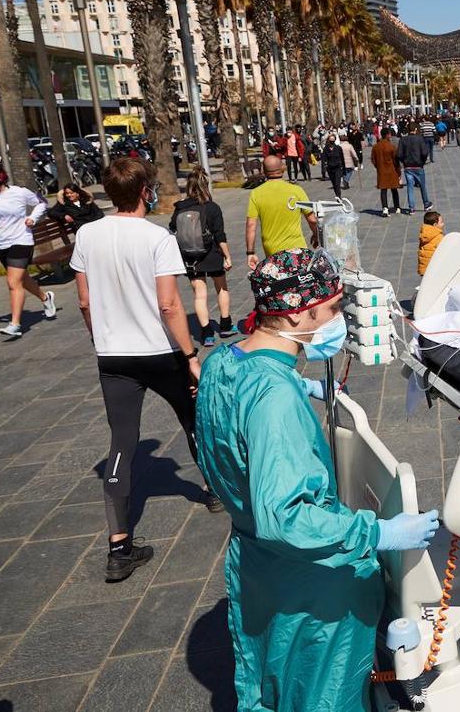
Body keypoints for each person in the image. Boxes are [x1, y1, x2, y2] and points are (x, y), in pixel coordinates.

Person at [194, 248, 440, 711]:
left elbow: (227, 434)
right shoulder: (274, 400)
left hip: (259, 569)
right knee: (322, 693)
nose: (335, 322)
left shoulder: (221, 363)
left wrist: (296, 384)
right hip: (311, 586)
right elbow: (287, 519)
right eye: (330, 310)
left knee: (275, 679)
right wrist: (378, 531)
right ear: (299, 315)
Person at [71, 157, 224, 582]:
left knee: (121, 442)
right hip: (159, 351)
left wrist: (98, 335)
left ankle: (119, 546)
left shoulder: (87, 234)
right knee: (193, 418)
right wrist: (190, 356)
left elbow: (84, 300)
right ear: (145, 192)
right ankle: (214, 491)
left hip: (113, 355)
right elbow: (170, 304)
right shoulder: (157, 238)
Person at [0, 163, 55, 338]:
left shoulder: (19, 192)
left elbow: (41, 203)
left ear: (2, 176)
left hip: (22, 240)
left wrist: (32, 218)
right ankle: (46, 298)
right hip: (1, 244)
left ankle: (15, 324)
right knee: (22, 279)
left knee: (13, 283)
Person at [170, 166, 235, 347]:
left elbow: (173, 228)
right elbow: (219, 235)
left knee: (199, 295)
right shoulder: (212, 208)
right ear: (206, 186)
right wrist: (227, 256)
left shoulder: (179, 208)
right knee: (221, 288)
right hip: (212, 254)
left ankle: (206, 334)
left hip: (191, 258)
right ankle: (225, 324)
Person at [245, 156, 320, 270]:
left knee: (280, 284)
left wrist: (250, 252)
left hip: (272, 252)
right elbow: (312, 219)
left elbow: (251, 225)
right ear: (282, 169)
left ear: (263, 171)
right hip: (297, 249)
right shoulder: (296, 190)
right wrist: (316, 235)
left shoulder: (256, 193)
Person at [396, 125, 433, 214]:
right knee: (422, 186)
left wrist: (404, 162)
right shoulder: (420, 139)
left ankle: (411, 208)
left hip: (408, 166)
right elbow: (424, 152)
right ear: (416, 130)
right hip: (418, 165)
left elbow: (399, 154)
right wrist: (422, 162)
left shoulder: (403, 140)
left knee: (410, 187)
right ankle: (426, 203)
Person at [371, 127, 401, 218]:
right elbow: (396, 160)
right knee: (394, 189)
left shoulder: (376, 146)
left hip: (382, 171)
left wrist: (378, 166)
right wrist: (399, 171)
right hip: (392, 170)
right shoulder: (391, 146)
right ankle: (397, 207)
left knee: (383, 190)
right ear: (387, 135)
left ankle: (385, 208)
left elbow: (373, 159)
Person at [418, 210, 445, 276]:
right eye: (441, 222)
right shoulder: (438, 237)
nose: (443, 223)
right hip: (433, 269)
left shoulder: (424, 234)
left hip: (424, 267)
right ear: (435, 225)